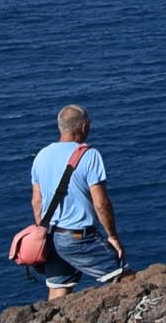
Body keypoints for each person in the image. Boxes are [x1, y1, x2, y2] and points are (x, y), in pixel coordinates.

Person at [30, 103, 126, 294]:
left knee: (58, 291)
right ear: (83, 127)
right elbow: (101, 204)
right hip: (79, 237)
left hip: (52, 236)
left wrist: (43, 232)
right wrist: (112, 237)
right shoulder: (90, 156)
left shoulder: (41, 156)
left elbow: (36, 201)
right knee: (125, 278)